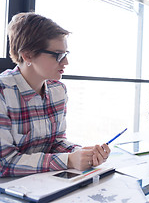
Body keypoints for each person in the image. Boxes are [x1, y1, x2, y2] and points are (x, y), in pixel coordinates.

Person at [0, 12, 110, 177]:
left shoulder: (58, 90)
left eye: (65, 54)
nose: (66, 62)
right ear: (28, 55)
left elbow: (56, 143)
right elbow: (4, 163)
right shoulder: (3, 92)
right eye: (58, 55)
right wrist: (68, 160)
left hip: (43, 183)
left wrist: (83, 153)